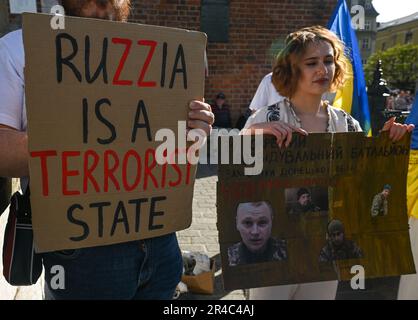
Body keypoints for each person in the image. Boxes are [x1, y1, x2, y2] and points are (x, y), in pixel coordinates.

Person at [0, 0, 214, 300]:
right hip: (82, 253)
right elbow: (3, 151)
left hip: (161, 242)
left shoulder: (154, 54)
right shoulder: (19, 48)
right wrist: (79, 136)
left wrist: (195, 132)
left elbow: (174, 152)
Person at [241, 25, 413, 300]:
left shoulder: (346, 123)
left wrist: (387, 147)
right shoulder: (266, 118)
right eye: (311, 63)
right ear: (293, 69)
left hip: (325, 251)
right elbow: (235, 173)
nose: (323, 68)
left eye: (328, 60)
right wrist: (251, 133)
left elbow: (364, 183)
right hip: (275, 251)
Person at [227, 201, 287, 266]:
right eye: (247, 223)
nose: (255, 232)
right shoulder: (228, 255)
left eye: (262, 222)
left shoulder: (288, 250)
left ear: (271, 222)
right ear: (237, 224)